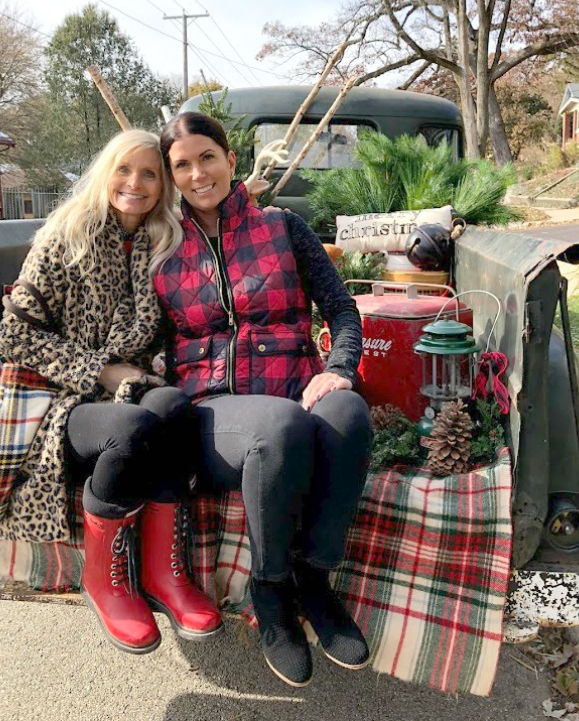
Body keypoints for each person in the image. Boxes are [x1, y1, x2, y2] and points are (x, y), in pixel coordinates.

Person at [154, 112, 373, 688]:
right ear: (171, 176)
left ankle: (314, 579)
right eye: (182, 165)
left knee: (347, 413)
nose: (198, 174)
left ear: (230, 159)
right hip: (213, 410)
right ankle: (270, 588)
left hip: (294, 386)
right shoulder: (161, 248)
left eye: (207, 157)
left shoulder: (282, 226)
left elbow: (342, 309)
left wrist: (339, 369)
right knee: (277, 427)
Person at [0, 129, 222, 654]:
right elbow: (12, 331)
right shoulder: (66, 237)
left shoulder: (166, 242)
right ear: (106, 173)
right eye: (125, 169)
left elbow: (173, 331)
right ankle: (103, 580)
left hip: (139, 387)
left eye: (149, 173)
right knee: (135, 426)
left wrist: (151, 370)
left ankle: (163, 576)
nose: (135, 183)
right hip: (64, 400)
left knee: (172, 407)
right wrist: (100, 372)